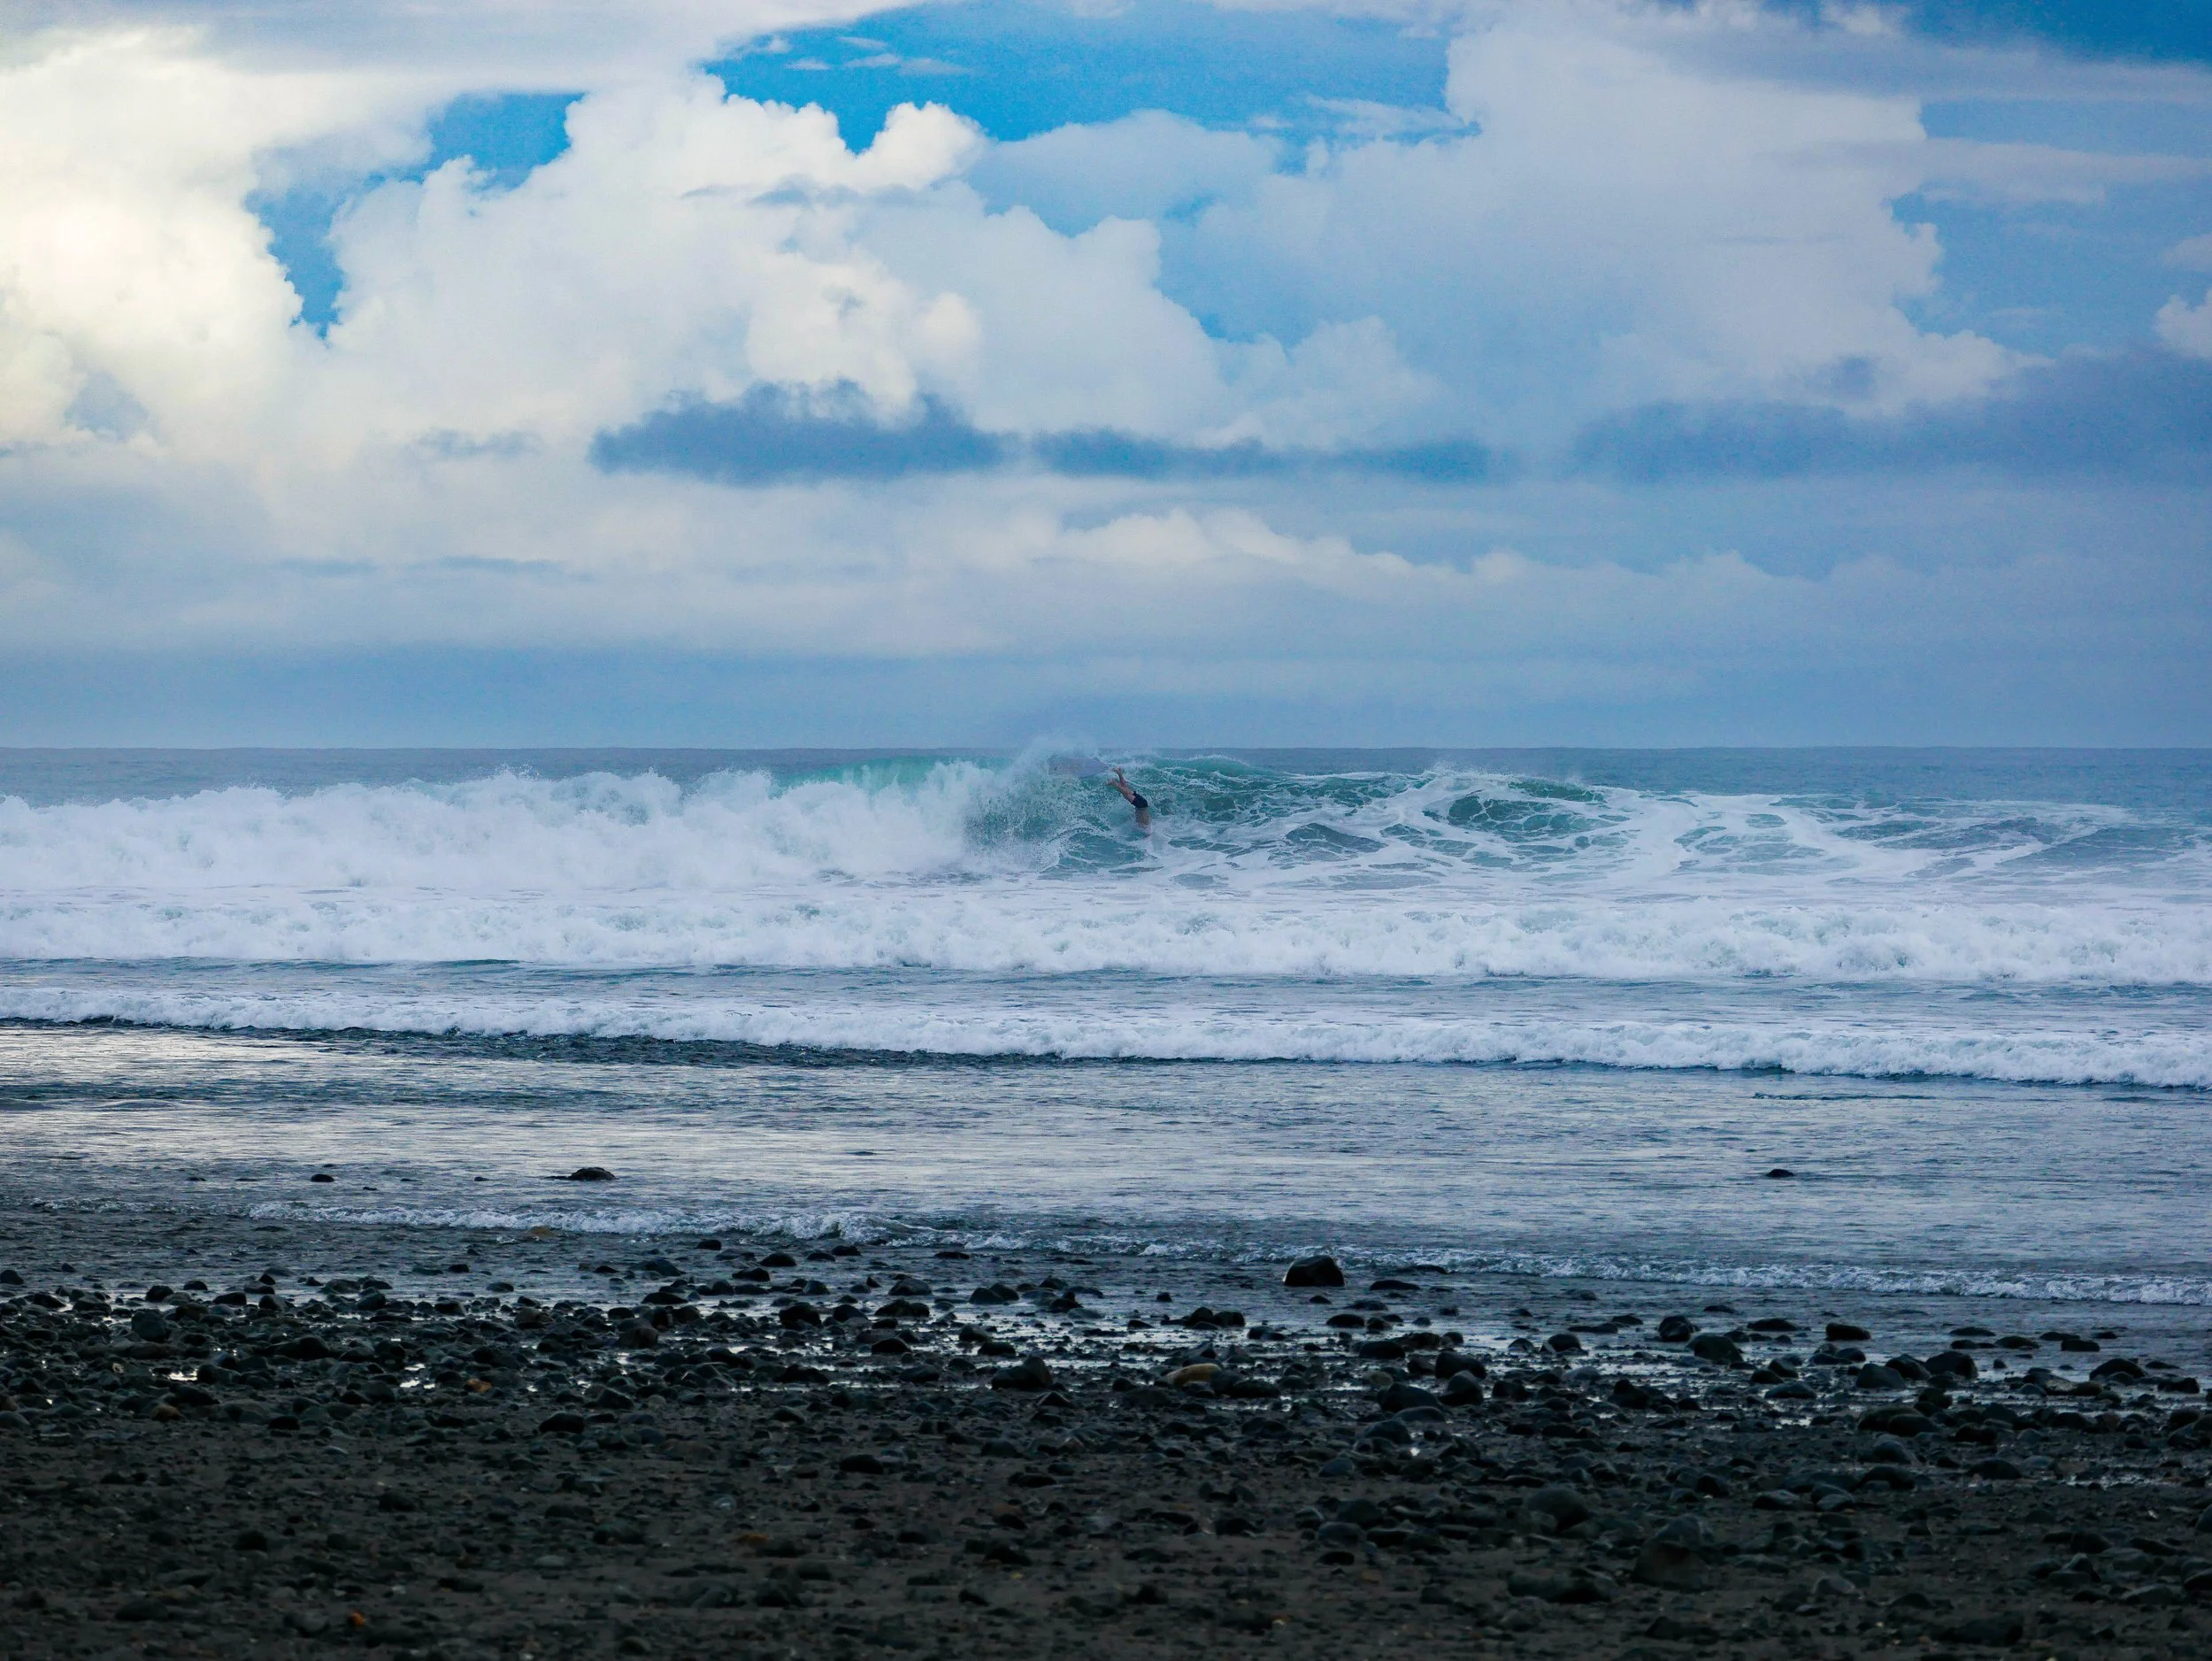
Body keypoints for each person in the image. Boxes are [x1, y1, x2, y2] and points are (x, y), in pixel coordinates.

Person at [1107, 766, 1151, 830]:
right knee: (1126, 794)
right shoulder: (1146, 829)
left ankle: (1119, 772)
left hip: (1143, 804)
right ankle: (1114, 783)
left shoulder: (1146, 824)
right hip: (1141, 805)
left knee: (1127, 790)